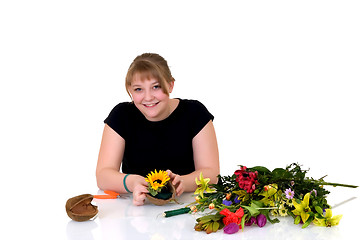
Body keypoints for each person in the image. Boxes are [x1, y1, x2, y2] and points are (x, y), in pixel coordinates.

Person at [96, 53, 219, 206]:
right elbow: (103, 175)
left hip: (186, 206)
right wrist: (132, 182)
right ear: (130, 90)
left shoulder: (195, 113)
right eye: (138, 89)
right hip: (135, 210)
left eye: (156, 87)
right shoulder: (121, 115)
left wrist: (182, 182)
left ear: (170, 85)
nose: (148, 97)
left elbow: (212, 173)